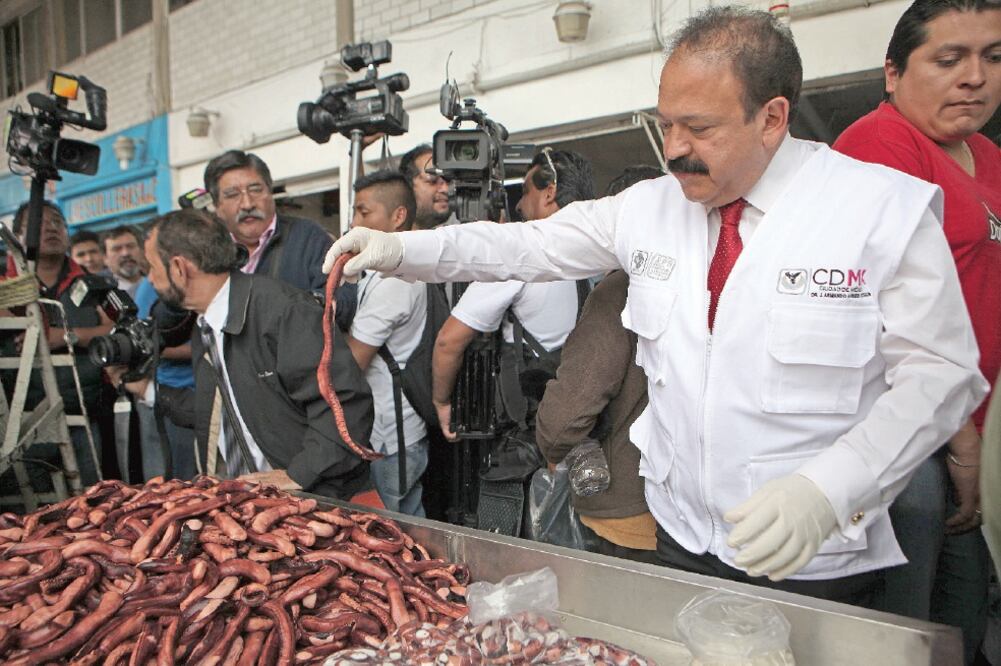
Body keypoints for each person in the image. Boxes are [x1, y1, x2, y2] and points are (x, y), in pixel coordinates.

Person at [324, 6, 988, 606]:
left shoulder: (876, 209)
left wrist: (832, 488)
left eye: (697, 128)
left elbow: (940, 373)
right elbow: (526, 245)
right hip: (678, 538)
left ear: (772, 118)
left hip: (812, 553)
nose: (672, 148)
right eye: (666, 122)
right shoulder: (650, 208)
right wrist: (400, 249)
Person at [834, 0, 1001, 658]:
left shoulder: (984, 154)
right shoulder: (878, 145)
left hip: (971, 425)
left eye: (992, 57)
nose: (973, 77)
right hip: (916, 435)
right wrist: (958, 438)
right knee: (908, 630)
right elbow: (872, 312)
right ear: (892, 73)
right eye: (947, 59)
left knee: (959, 620)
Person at [120, 208, 374, 498]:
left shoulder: (283, 310)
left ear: (179, 267)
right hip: (261, 504)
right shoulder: (205, 324)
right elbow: (221, 409)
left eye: (152, 267)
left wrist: (301, 475)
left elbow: (345, 402)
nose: (150, 280)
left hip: (316, 501)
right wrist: (146, 390)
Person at [535, 166, 663, 564]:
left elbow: (570, 408)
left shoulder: (620, 289)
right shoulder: (707, 277)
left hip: (630, 504)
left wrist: (553, 445)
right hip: (697, 505)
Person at [431, 149, 595, 439]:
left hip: (527, 429)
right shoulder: (593, 254)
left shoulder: (520, 251)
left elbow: (448, 341)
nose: (519, 203)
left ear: (549, 193)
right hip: (577, 417)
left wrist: (441, 402)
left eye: (526, 191)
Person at [2, 201, 112, 488]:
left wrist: (64, 336)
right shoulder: (5, 280)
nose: (51, 228)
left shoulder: (91, 282)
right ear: (17, 235)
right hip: (21, 423)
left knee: (92, 500)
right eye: (40, 222)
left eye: (57, 222)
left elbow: (115, 328)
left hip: (84, 413)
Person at [344, 170, 429, 515]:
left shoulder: (396, 280)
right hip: (389, 431)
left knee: (400, 530)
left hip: (392, 436)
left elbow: (353, 360)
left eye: (364, 213)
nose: (354, 222)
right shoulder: (381, 271)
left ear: (398, 217)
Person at [203, 150, 356, 330]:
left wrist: (289, 309)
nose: (247, 204)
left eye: (256, 189)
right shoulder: (206, 249)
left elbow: (344, 302)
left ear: (270, 192)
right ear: (216, 206)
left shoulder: (307, 237)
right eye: (232, 195)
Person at [133, 275, 197, 481]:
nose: (152, 275)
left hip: (210, 391)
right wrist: (203, 348)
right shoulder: (150, 286)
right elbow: (146, 344)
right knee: (183, 483)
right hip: (174, 395)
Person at [399, 144, 452, 230]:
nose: (445, 189)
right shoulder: (387, 239)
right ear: (408, 186)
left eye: (448, 180)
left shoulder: (460, 239)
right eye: (433, 181)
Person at [102, 225, 146, 298]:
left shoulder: (159, 285)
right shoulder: (104, 296)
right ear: (105, 259)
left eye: (131, 246)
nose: (125, 253)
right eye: (117, 249)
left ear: (141, 251)